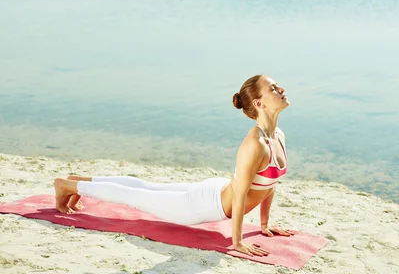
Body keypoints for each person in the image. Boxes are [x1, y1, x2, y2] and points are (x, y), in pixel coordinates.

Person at [53, 74, 294, 257]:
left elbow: (269, 185)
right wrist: (238, 242)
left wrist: (264, 225)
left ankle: (79, 181)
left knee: (146, 187)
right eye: (273, 88)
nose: (281, 89)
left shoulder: (277, 136)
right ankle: (68, 186)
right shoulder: (255, 143)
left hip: (215, 192)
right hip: (201, 206)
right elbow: (242, 195)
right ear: (259, 103)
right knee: (134, 195)